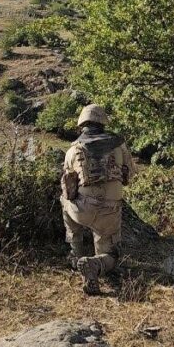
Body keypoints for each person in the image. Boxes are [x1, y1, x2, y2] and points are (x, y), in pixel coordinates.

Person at [60, 104, 135, 294]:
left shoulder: (73, 150)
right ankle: (95, 263)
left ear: (81, 124)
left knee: (64, 201)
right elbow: (130, 175)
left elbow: (69, 187)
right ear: (103, 122)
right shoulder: (119, 145)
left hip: (82, 211)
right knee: (110, 254)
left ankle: (76, 253)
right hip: (110, 211)